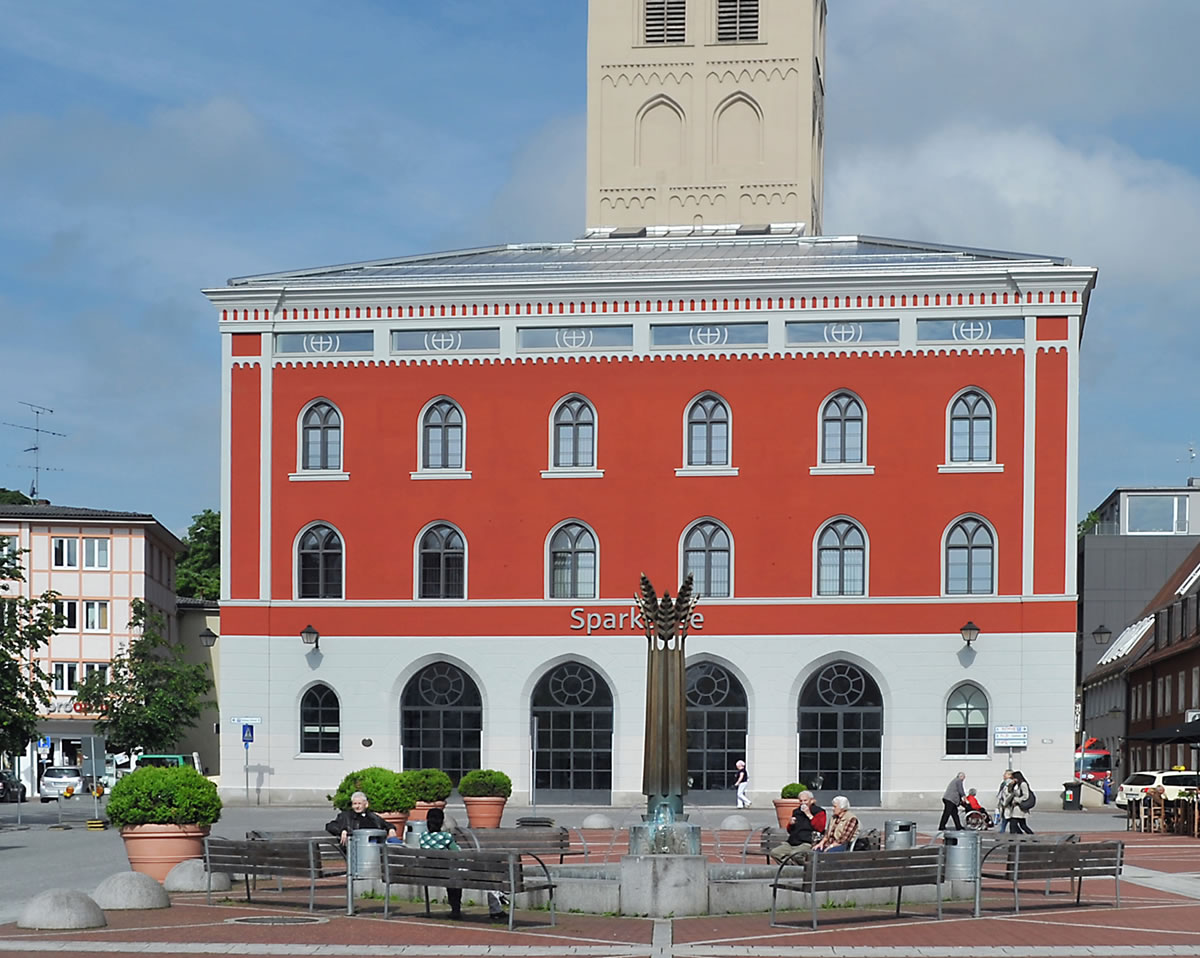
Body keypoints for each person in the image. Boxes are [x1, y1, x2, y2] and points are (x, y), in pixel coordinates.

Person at [420, 807, 507, 921]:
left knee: (452, 879)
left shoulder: (423, 837)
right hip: (450, 872)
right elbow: (459, 856)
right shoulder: (446, 837)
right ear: (441, 822)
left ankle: (455, 910)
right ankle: (496, 910)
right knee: (489, 876)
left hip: (433, 873)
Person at [324, 790, 397, 847]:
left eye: (359, 803)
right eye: (355, 804)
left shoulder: (372, 816)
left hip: (377, 844)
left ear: (366, 804)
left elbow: (386, 824)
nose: (357, 806)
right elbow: (330, 826)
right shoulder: (345, 816)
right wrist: (342, 831)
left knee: (396, 843)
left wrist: (391, 829)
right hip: (358, 846)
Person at [770, 790, 826, 863]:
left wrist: (809, 815)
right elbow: (790, 830)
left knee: (795, 854)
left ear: (811, 801)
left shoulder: (819, 812)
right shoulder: (796, 812)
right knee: (775, 852)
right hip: (792, 842)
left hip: (807, 842)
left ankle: (807, 869)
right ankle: (791, 868)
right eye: (801, 801)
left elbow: (820, 828)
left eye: (805, 800)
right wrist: (790, 824)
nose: (803, 803)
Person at [1001, 770, 1034, 834]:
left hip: (1020, 807)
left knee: (1014, 824)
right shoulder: (1016, 785)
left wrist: (1017, 800)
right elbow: (1010, 791)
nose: (1013, 779)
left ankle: (1014, 840)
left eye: (1014, 778)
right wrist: (1011, 784)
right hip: (1015, 808)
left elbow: (1026, 796)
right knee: (1022, 825)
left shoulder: (1023, 784)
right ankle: (1023, 838)